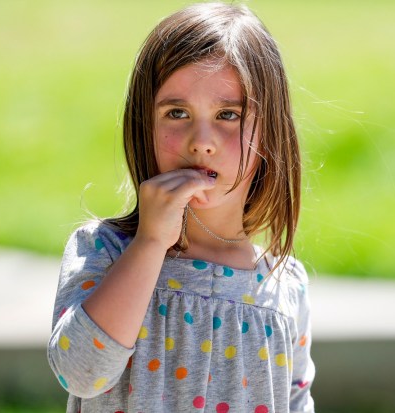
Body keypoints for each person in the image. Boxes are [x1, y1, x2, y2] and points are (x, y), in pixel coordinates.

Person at [48, 2, 315, 412]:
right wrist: (151, 242)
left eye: (228, 114)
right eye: (177, 113)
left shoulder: (285, 286)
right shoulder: (104, 251)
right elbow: (82, 373)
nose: (200, 141)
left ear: (270, 133)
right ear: (144, 126)